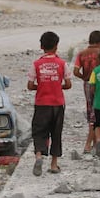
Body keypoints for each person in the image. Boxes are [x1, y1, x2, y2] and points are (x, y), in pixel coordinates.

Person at [27, 31, 72, 176]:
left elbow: (30, 85)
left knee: (39, 131)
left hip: (41, 103)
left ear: (41, 46)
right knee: (56, 133)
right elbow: (68, 84)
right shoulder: (62, 63)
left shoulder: (37, 64)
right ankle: (53, 164)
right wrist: (58, 85)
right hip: (58, 104)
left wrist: (40, 86)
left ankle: (39, 156)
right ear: (56, 46)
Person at [73, 30, 100, 154]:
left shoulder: (82, 54)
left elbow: (75, 71)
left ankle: (95, 143)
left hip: (87, 84)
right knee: (98, 113)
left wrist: (84, 77)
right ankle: (90, 143)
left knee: (91, 111)